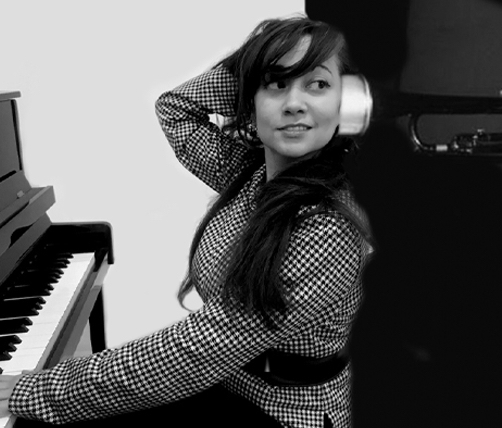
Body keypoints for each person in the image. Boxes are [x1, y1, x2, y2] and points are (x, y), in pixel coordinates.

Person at [0, 16, 372, 428]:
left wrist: (36, 390)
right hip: (228, 385)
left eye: (317, 84)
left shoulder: (327, 228)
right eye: (277, 83)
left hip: (284, 411)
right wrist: (250, 71)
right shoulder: (250, 175)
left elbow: (196, 351)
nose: (294, 103)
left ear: (346, 102)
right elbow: (176, 110)